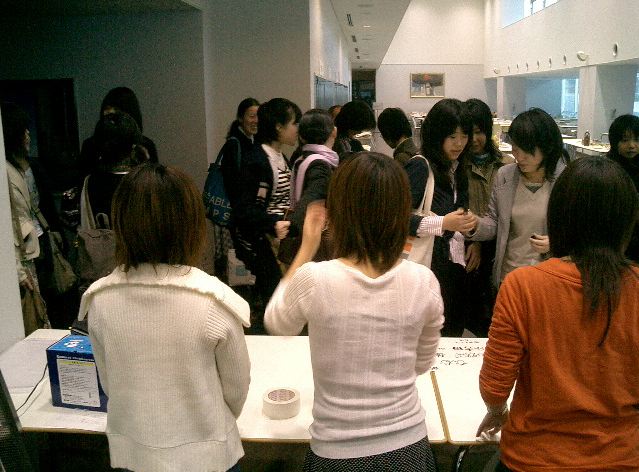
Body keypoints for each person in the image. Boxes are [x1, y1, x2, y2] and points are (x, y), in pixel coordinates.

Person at [265, 152, 443, 472]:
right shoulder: (424, 281)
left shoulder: (315, 278)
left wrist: (307, 247)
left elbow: (277, 322)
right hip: (409, 447)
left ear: (340, 213)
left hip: (335, 452)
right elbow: (421, 364)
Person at [78, 164, 250, 472]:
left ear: (122, 224)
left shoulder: (100, 300)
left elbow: (110, 384)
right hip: (208, 457)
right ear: (191, 224)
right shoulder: (213, 300)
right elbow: (236, 388)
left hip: (134, 455)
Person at [477, 157, 639, 471]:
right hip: (622, 457)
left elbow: (495, 387)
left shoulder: (523, 285)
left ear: (559, 215)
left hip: (535, 458)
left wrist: (498, 412)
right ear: (627, 220)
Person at [468, 107, 569, 289]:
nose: (519, 157)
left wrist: (557, 243)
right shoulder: (505, 175)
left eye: (527, 150)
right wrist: (476, 224)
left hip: (548, 279)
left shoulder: (566, 180)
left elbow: (581, 232)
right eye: (515, 148)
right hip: (509, 275)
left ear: (547, 146)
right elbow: (495, 222)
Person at [406, 98, 476, 336]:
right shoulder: (420, 167)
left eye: (464, 136)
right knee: (429, 335)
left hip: (453, 267)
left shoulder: (457, 168)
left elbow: (458, 213)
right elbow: (396, 219)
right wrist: (444, 223)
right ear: (437, 135)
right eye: (452, 136)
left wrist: (469, 225)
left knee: (451, 331)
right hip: (426, 267)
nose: (459, 143)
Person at [233, 98, 301, 326]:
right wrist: (272, 223)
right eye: (294, 123)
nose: (297, 129)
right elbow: (243, 209)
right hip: (264, 241)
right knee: (274, 301)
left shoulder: (279, 156)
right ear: (278, 127)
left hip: (278, 240)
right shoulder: (256, 160)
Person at [462, 98, 511, 336]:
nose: (474, 139)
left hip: (502, 245)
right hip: (468, 245)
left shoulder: (506, 165)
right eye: (468, 133)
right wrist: (475, 241)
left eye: (479, 132)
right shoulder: (457, 166)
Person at [3, 102, 52, 333]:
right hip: (20, 255)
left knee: (38, 309)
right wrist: (18, 270)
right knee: (31, 315)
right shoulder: (7, 171)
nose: (28, 135)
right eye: (24, 130)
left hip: (31, 247)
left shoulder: (18, 167)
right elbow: (6, 226)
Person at [212, 98, 259, 281]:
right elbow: (233, 183)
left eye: (258, 116)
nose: (255, 120)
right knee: (237, 260)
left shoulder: (252, 141)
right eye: (251, 116)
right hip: (237, 213)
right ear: (240, 118)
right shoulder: (235, 144)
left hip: (245, 211)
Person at [283, 108, 338, 262]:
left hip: (303, 237)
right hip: (315, 240)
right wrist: (292, 226)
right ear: (333, 132)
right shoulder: (320, 164)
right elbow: (313, 196)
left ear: (301, 136)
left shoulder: (302, 158)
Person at [79, 111, 149, 229]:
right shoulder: (144, 180)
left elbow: (87, 223)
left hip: (101, 240)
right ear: (133, 145)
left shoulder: (90, 182)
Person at [79, 87, 158, 177]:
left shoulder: (146, 146)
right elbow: (83, 178)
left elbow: (154, 180)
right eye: (107, 108)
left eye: (117, 110)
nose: (110, 114)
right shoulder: (90, 145)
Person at [607, 114, 639, 262]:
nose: (632, 145)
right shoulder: (607, 168)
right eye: (625, 140)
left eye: (637, 139)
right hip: (615, 236)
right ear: (614, 141)